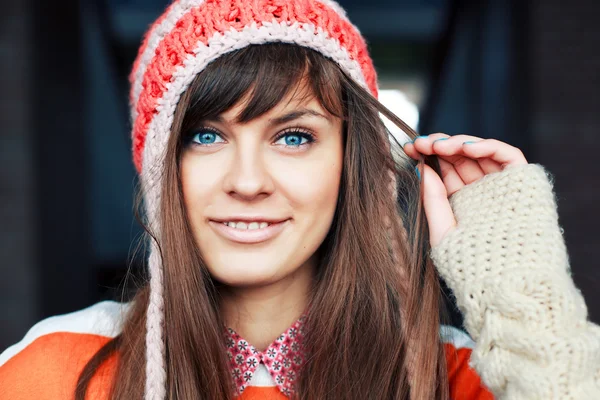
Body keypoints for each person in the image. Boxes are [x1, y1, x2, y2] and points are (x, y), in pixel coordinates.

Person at [1, 0, 599, 399]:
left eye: (293, 136)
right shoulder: (56, 370)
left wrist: (524, 292)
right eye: (205, 136)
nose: (248, 180)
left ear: (353, 164)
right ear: (159, 168)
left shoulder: (463, 376)